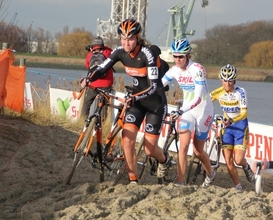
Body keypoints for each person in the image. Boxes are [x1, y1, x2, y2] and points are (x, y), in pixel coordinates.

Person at [87, 18, 171, 184]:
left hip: (155, 102)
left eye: (130, 39)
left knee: (149, 149)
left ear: (137, 38)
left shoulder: (147, 54)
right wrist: (88, 78)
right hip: (137, 101)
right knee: (128, 139)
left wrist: (134, 97)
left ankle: (164, 160)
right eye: (123, 39)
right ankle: (133, 180)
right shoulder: (119, 52)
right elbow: (102, 68)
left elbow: (154, 87)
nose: (126, 42)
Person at [162, 38, 216, 187]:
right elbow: (158, 86)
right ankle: (180, 182)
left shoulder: (197, 69)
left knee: (198, 151)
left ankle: (211, 174)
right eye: (175, 56)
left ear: (188, 56)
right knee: (184, 146)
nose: (177, 59)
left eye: (181, 56)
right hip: (187, 111)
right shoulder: (174, 70)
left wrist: (180, 110)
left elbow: (198, 98)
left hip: (204, 111)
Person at [210, 64, 255, 191]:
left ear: (234, 80)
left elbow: (244, 113)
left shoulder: (240, 92)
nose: (227, 83)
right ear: (221, 80)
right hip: (227, 128)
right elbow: (204, 101)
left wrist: (231, 120)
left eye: (230, 80)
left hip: (240, 126)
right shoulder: (218, 92)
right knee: (228, 160)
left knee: (238, 159)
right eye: (225, 80)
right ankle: (238, 186)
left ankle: (246, 167)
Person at [80, 36, 114, 118]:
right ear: (102, 45)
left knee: (87, 103)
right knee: (103, 104)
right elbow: (114, 53)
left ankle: (83, 120)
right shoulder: (108, 52)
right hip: (106, 84)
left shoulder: (90, 55)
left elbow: (87, 66)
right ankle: (101, 123)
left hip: (93, 84)